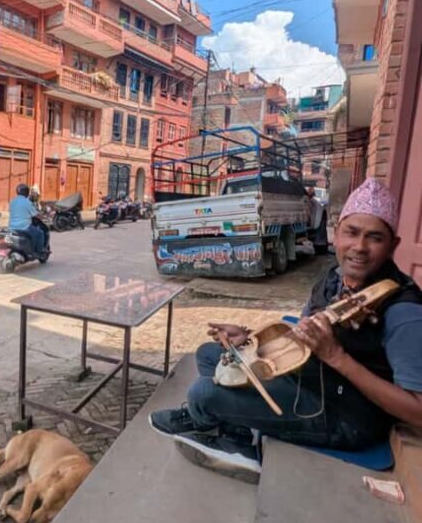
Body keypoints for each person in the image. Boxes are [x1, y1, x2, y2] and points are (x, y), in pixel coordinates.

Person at [150, 178, 422, 482]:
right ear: (336, 233)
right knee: (212, 355)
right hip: (312, 379)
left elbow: (417, 413)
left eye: (375, 238)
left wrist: (338, 357)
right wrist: (251, 338)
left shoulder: (404, 312)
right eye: (352, 232)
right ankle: (238, 432)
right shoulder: (333, 278)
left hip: (345, 416)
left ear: (393, 246)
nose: (359, 247)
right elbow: (302, 336)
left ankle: (219, 427)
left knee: (203, 392)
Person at [9, 183, 45, 256]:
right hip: (24, 227)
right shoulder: (27, 202)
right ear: (27, 192)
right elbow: (36, 214)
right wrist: (43, 217)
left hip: (11, 227)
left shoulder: (12, 201)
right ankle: (39, 251)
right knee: (40, 233)